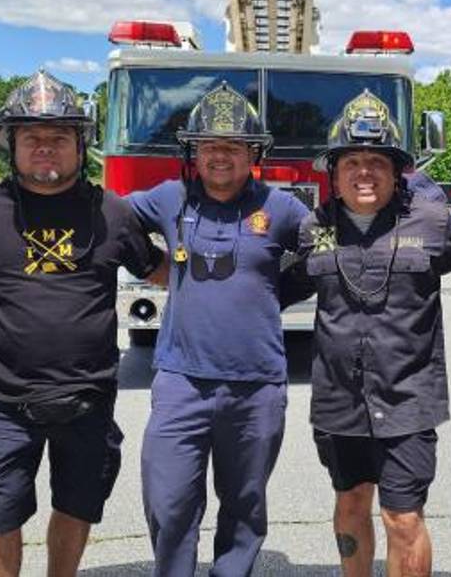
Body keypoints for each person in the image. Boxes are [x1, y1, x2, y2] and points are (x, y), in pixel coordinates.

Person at [0, 71, 165, 577]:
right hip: (7, 403)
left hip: (89, 400)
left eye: (59, 137)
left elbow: (161, 272)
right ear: (11, 142)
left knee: (76, 508)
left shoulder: (112, 212)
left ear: (80, 142)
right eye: (32, 137)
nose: (46, 148)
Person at [280, 91, 451, 577]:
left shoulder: (435, 222)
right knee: (351, 502)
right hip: (339, 401)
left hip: (408, 399)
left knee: (403, 518)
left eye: (377, 161)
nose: (364, 171)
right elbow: (269, 292)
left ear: (398, 170)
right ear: (334, 173)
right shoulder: (313, 229)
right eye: (352, 161)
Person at [129, 82, 308, 577]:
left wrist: (276, 292)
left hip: (256, 386)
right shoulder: (170, 199)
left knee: (245, 506)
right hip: (180, 381)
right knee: (168, 503)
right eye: (209, 146)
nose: (221, 156)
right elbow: (112, 217)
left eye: (233, 146)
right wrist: (149, 264)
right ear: (194, 152)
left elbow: (324, 252)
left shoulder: (281, 207)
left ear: (254, 153)